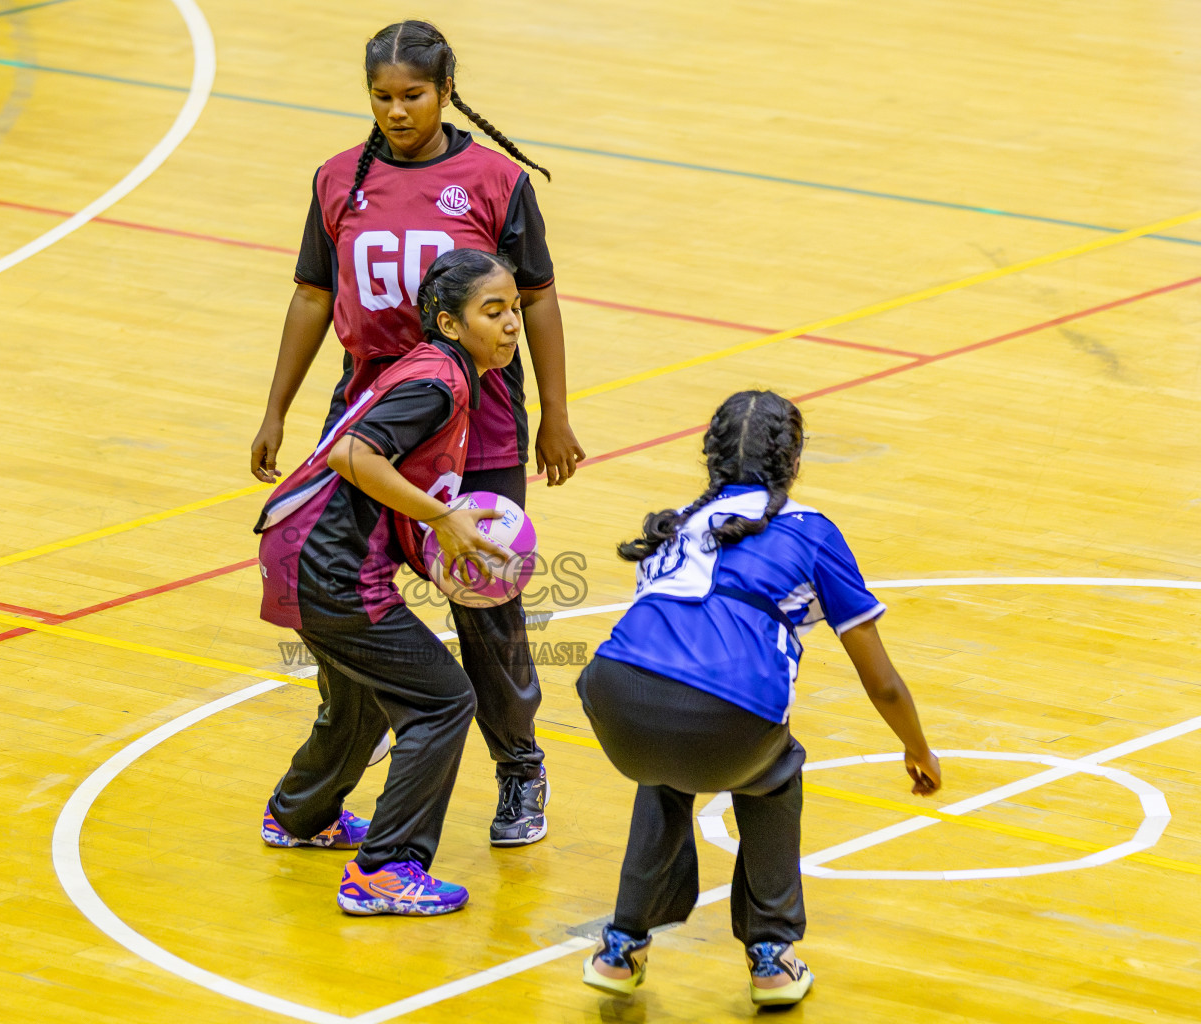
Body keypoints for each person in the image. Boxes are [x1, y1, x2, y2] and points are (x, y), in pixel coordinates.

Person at [250, 20, 586, 846]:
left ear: (446, 91)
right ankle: (327, 780)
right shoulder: (338, 180)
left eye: (414, 95)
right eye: (382, 97)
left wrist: (556, 413)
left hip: (482, 429)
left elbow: (534, 299)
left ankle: (519, 768)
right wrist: (277, 408)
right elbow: (311, 296)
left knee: (486, 603)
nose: (398, 111)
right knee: (348, 602)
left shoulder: (494, 181)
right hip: (372, 425)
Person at [574, 391, 943, 1008]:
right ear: (794, 459)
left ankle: (621, 945)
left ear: (710, 457)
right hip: (721, 717)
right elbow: (880, 681)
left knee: (670, 769)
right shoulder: (811, 532)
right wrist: (918, 748)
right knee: (773, 774)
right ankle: (770, 956)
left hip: (613, 699)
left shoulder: (671, 526)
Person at [255, 249, 521, 915]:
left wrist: (438, 547)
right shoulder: (440, 384)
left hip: (302, 550)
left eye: (515, 308)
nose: (512, 324)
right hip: (328, 564)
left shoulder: (443, 372)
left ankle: (300, 815)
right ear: (450, 324)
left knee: (363, 698)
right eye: (494, 312)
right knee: (442, 701)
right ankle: (385, 870)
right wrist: (443, 517)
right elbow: (351, 454)